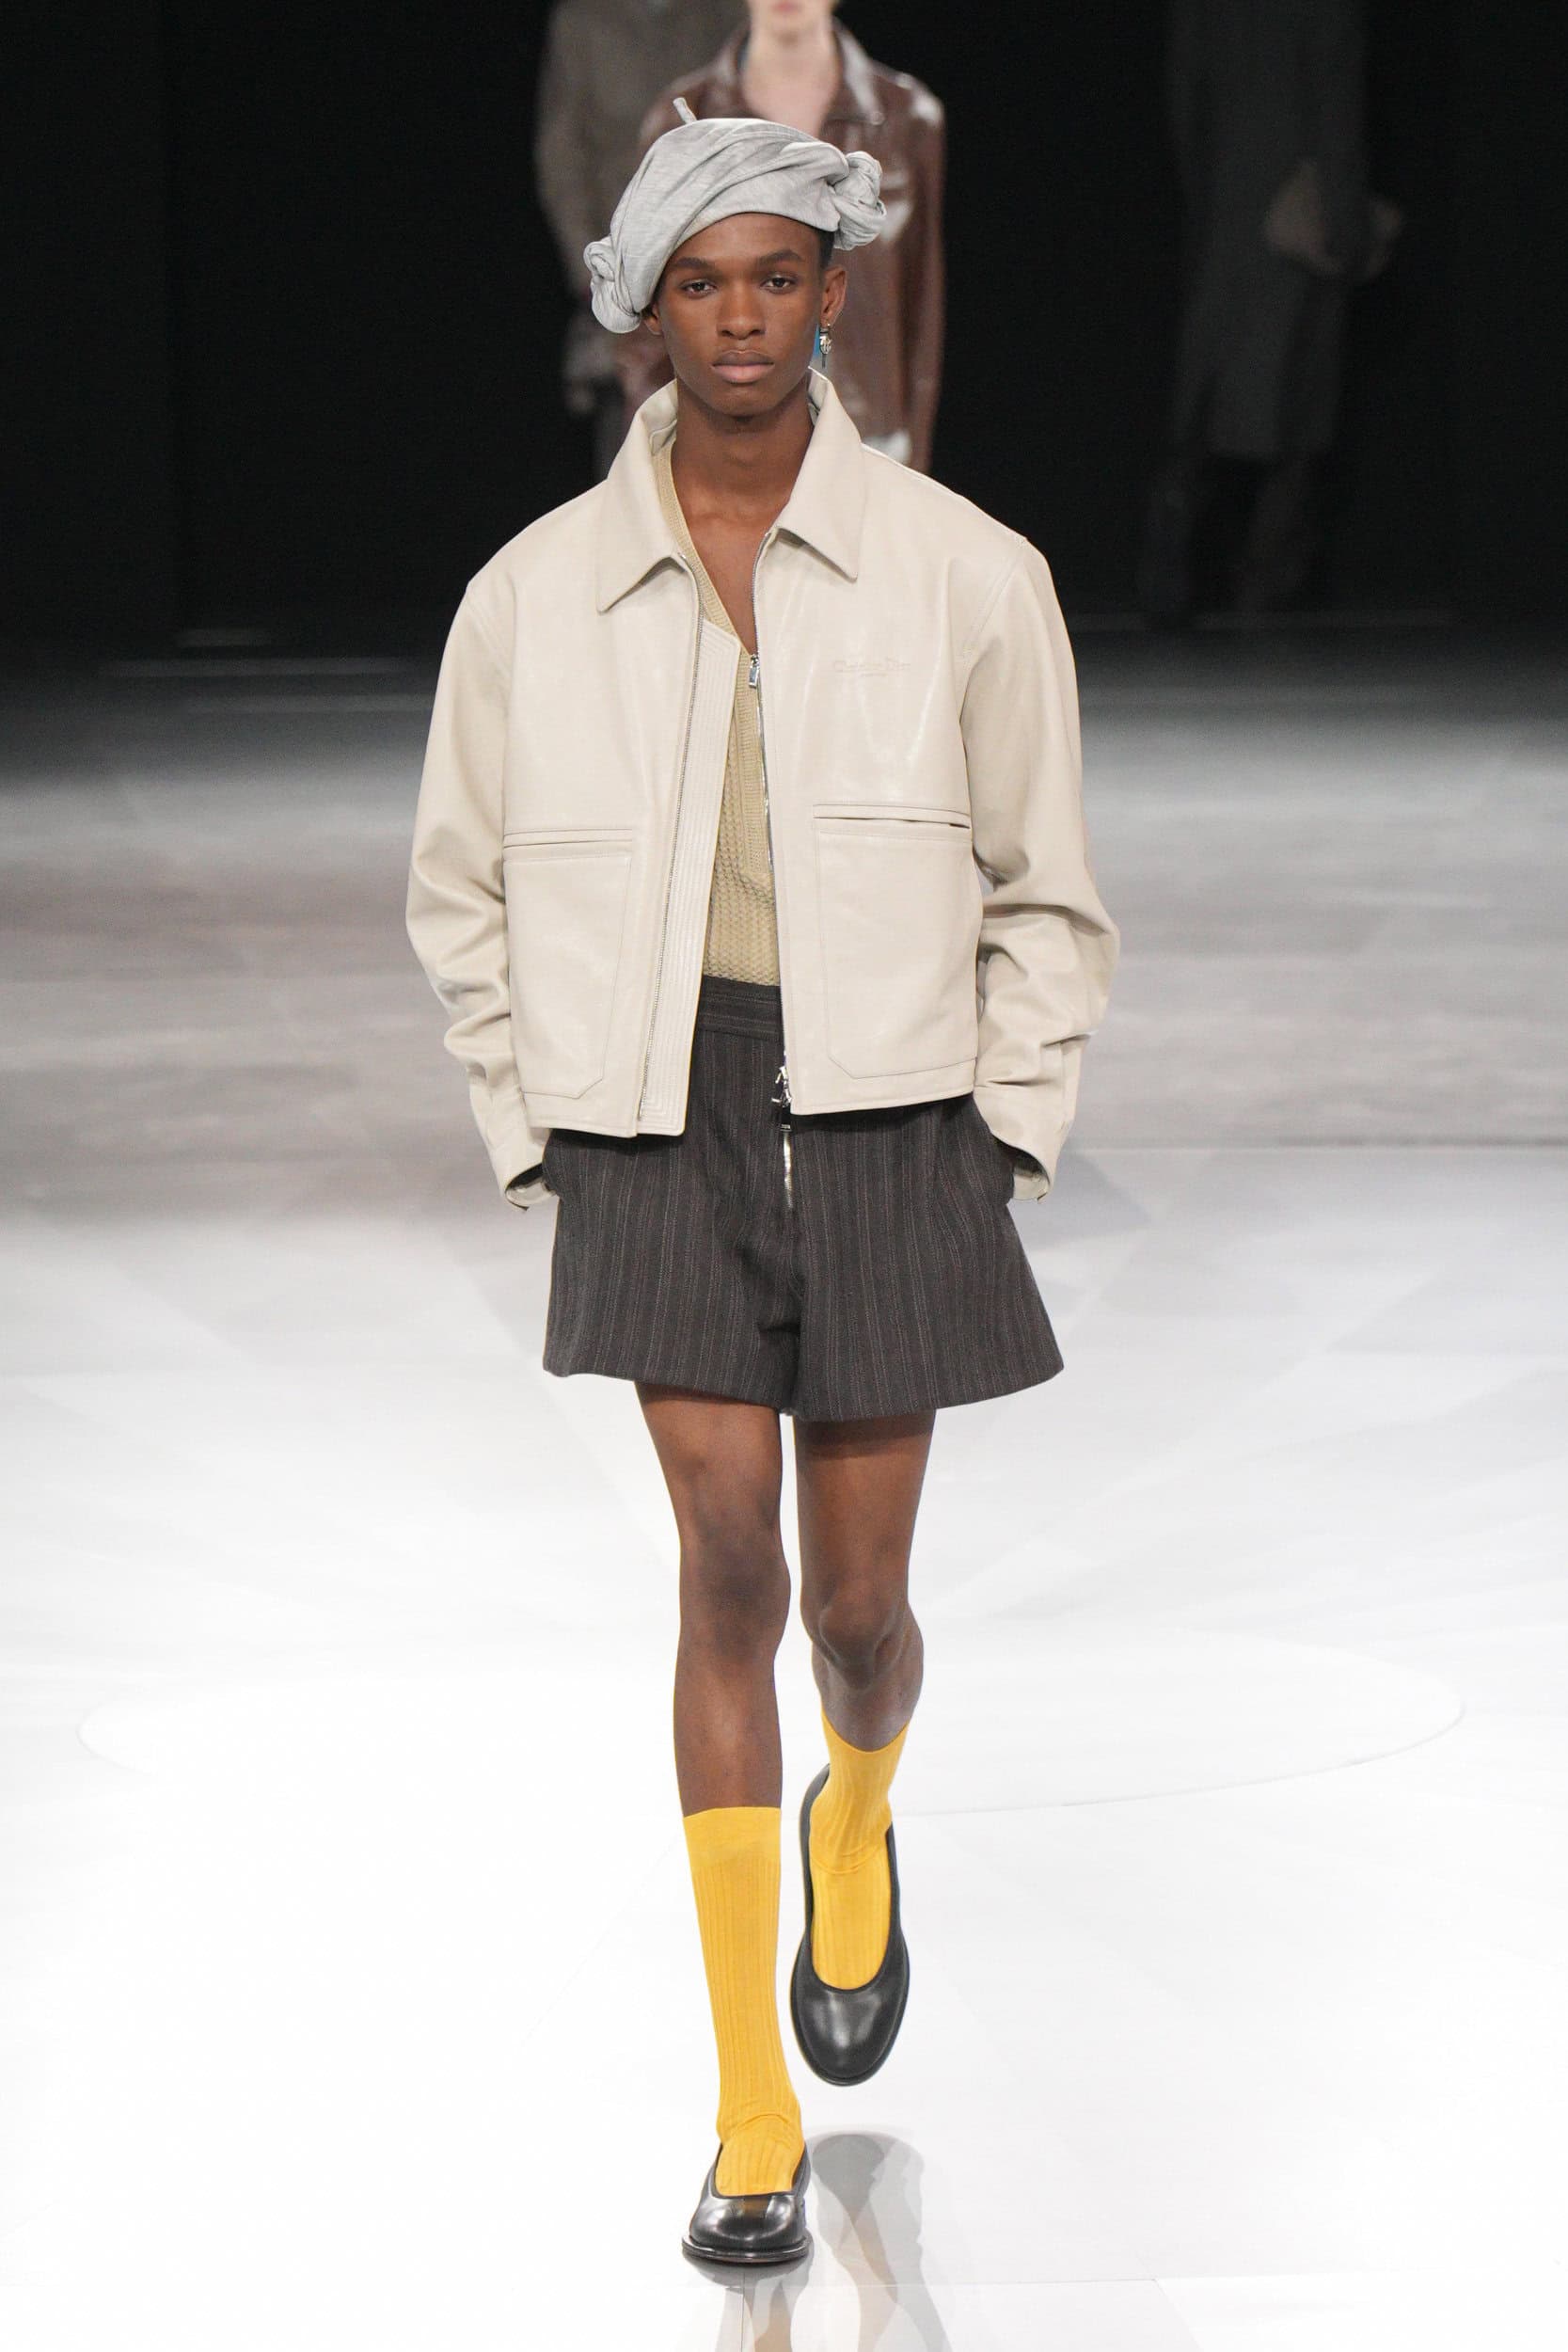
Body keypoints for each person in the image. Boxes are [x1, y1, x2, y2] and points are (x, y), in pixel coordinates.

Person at [406, 107, 1117, 2268]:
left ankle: (857, 1811)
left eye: (774, 279)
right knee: (719, 1564)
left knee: (853, 1614)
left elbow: (1046, 888)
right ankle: (746, 2113)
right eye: (698, 283)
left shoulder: (966, 573)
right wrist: (538, 1120)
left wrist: (1004, 1125)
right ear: (645, 308)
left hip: (890, 1113)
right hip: (659, 1108)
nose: (737, 319)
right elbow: (459, 886)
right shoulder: (532, 597)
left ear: (831, 295)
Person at [1138, 0, 1389, 617]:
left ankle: (1178, 559)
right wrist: (1348, 229)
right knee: (1296, 408)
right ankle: (1264, 577)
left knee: (1210, 400)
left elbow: (1185, 103)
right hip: (1298, 215)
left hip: (1228, 209)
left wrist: (1202, 198)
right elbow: (1336, 111)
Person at [617, 1, 946, 470]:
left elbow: (922, 302)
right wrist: (650, 455)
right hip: (719, 434)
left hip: (868, 432)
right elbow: (646, 301)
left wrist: (915, 461)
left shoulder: (906, 117)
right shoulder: (684, 118)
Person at [534, 0, 740, 477]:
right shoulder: (585, 21)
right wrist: (594, 272)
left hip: (721, 263)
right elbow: (562, 157)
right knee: (632, 452)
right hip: (622, 269)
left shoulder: (731, 14)